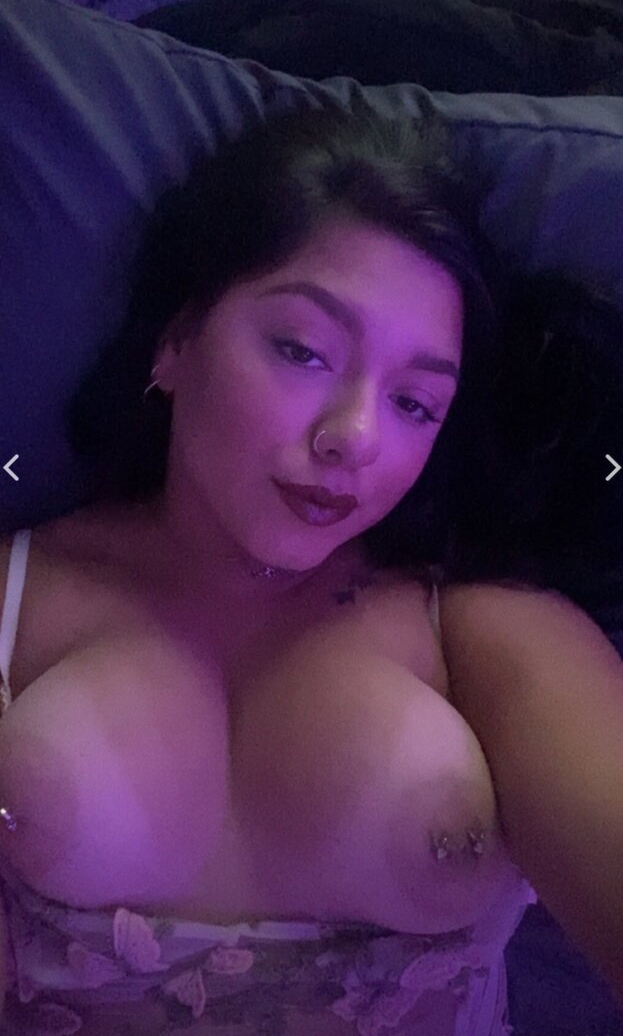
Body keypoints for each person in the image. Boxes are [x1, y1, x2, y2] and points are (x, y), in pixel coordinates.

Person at [0, 100, 620, 1034]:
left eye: (414, 404)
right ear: (176, 340)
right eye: (302, 351)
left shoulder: (481, 632)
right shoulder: (13, 603)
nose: (354, 437)